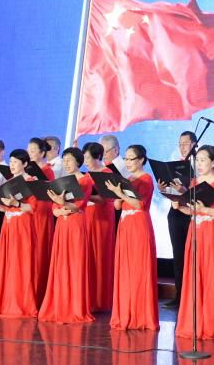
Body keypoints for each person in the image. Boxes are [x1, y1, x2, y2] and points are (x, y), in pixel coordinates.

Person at [174, 145, 214, 339]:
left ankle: (211, 323)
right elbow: (192, 210)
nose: (199, 164)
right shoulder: (195, 182)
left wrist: (205, 210)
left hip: (213, 231)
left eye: (203, 160)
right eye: (197, 160)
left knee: (211, 274)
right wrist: (178, 205)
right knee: (195, 273)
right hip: (196, 230)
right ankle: (194, 322)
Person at [39, 147, 95, 324]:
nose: (66, 163)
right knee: (60, 263)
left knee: (75, 263)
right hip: (62, 224)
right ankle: (59, 304)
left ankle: (74, 307)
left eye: (69, 160)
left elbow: (79, 206)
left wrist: (62, 203)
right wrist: (58, 209)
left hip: (76, 224)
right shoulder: (61, 181)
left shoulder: (85, 180)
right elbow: (54, 206)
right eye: (64, 160)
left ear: (78, 161)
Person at [107, 145, 158, 330]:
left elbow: (139, 204)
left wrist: (120, 193)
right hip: (125, 224)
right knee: (125, 268)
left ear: (141, 160)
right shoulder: (127, 178)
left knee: (137, 269)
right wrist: (116, 193)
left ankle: (139, 315)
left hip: (138, 224)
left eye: (131, 159)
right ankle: (125, 312)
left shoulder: (146, 179)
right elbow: (117, 206)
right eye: (126, 159)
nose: (128, 162)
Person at [0, 149, 39, 318]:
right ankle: (6, 301)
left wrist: (16, 203)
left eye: (16, 162)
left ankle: (21, 303)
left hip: (23, 225)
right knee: (7, 262)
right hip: (8, 225)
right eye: (11, 161)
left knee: (21, 262)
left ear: (25, 164)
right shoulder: (8, 182)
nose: (12, 165)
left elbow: (33, 208)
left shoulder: (31, 181)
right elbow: (5, 208)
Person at [163, 130, 196, 308]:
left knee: (192, 256)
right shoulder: (176, 165)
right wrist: (165, 189)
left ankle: (192, 295)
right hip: (175, 213)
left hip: (192, 214)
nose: (182, 147)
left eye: (185, 143)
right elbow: (171, 190)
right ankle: (179, 294)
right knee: (178, 255)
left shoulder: (199, 166)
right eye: (180, 144)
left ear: (194, 145)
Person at [83, 141, 116, 312]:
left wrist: (85, 195)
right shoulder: (87, 174)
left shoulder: (106, 172)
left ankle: (100, 300)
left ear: (98, 157)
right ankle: (87, 298)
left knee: (100, 255)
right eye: (84, 158)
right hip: (87, 215)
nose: (85, 161)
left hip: (102, 217)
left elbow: (106, 199)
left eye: (88, 158)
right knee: (88, 255)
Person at [27, 136, 55, 305]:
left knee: (39, 249)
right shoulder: (28, 168)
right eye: (28, 150)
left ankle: (39, 291)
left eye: (33, 150)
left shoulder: (47, 170)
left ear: (42, 152)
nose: (30, 153)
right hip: (29, 210)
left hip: (42, 210)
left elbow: (48, 192)